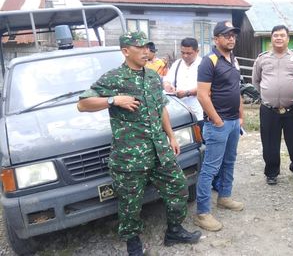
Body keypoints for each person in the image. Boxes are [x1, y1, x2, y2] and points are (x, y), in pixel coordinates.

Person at [77, 31, 201, 256]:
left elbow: (161, 106)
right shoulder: (113, 78)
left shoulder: (153, 76)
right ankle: (133, 244)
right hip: (130, 157)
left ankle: (174, 230)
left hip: (159, 151)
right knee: (130, 203)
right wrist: (113, 100)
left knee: (178, 187)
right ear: (126, 51)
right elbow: (83, 104)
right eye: (140, 47)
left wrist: (171, 136)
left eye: (148, 47)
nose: (146, 51)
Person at [194, 21, 244, 232]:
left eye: (233, 35)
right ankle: (202, 213)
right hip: (218, 123)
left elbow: (236, 88)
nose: (231, 38)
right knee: (210, 168)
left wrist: (241, 115)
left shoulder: (233, 59)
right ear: (216, 39)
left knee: (229, 162)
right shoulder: (209, 61)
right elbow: (202, 95)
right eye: (226, 35)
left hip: (233, 122)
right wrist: (217, 120)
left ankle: (224, 196)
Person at [252, 25, 293, 186]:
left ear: (288, 38)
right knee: (269, 144)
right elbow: (256, 81)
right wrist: (266, 95)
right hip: (269, 109)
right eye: (275, 35)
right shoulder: (262, 59)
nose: (279, 38)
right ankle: (271, 172)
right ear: (271, 38)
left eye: (282, 35)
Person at [164, 37, 203, 128]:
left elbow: (207, 86)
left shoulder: (204, 64)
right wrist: (168, 85)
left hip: (199, 112)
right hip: (180, 113)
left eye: (189, 53)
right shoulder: (177, 64)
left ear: (197, 51)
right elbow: (167, 79)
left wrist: (187, 93)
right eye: (183, 53)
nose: (185, 56)